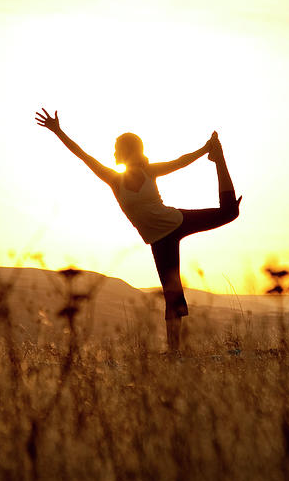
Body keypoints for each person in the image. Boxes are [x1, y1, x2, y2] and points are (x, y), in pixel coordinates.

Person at [34, 108, 241, 351]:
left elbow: (180, 161)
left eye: (117, 148)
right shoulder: (113, 179)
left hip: (175, 220)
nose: (112, 153)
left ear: (129, 151)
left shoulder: (148, 171)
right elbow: (83, 155)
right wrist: (58, 131)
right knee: (172, 293)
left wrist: (206, 149)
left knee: (229, 212)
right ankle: (175, 352)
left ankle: (219, 157)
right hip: (159, 240)